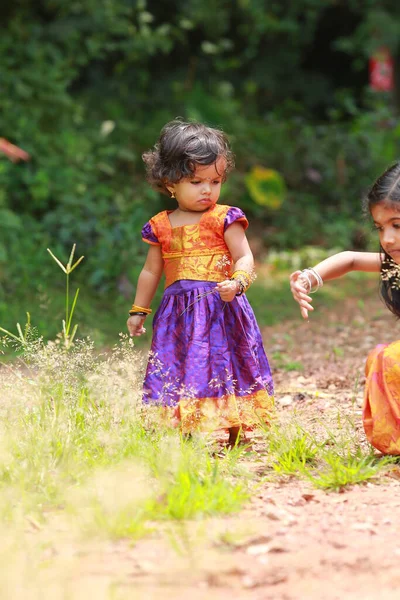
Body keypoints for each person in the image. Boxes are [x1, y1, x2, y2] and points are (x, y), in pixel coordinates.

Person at [127, 119, 274, 446]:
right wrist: (139, 309)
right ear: (170, 183)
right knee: (180, 365)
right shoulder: (160, 226)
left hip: (222, 308)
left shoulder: (225, 218)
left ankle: (236, 429)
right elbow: (151, 271)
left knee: (227, 362)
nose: (208, 190)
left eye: (215, 181)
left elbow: (245, 257)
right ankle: (187, 429)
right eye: (196, 181)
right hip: (178, 316)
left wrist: (238, 281)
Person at [290, 161, 400, 455]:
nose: (387, 239)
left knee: (389, 359)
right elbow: (350, 259)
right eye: (380, 227)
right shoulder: (394, 263)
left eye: (397, 225)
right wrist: (309, 278)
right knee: (380, 359)